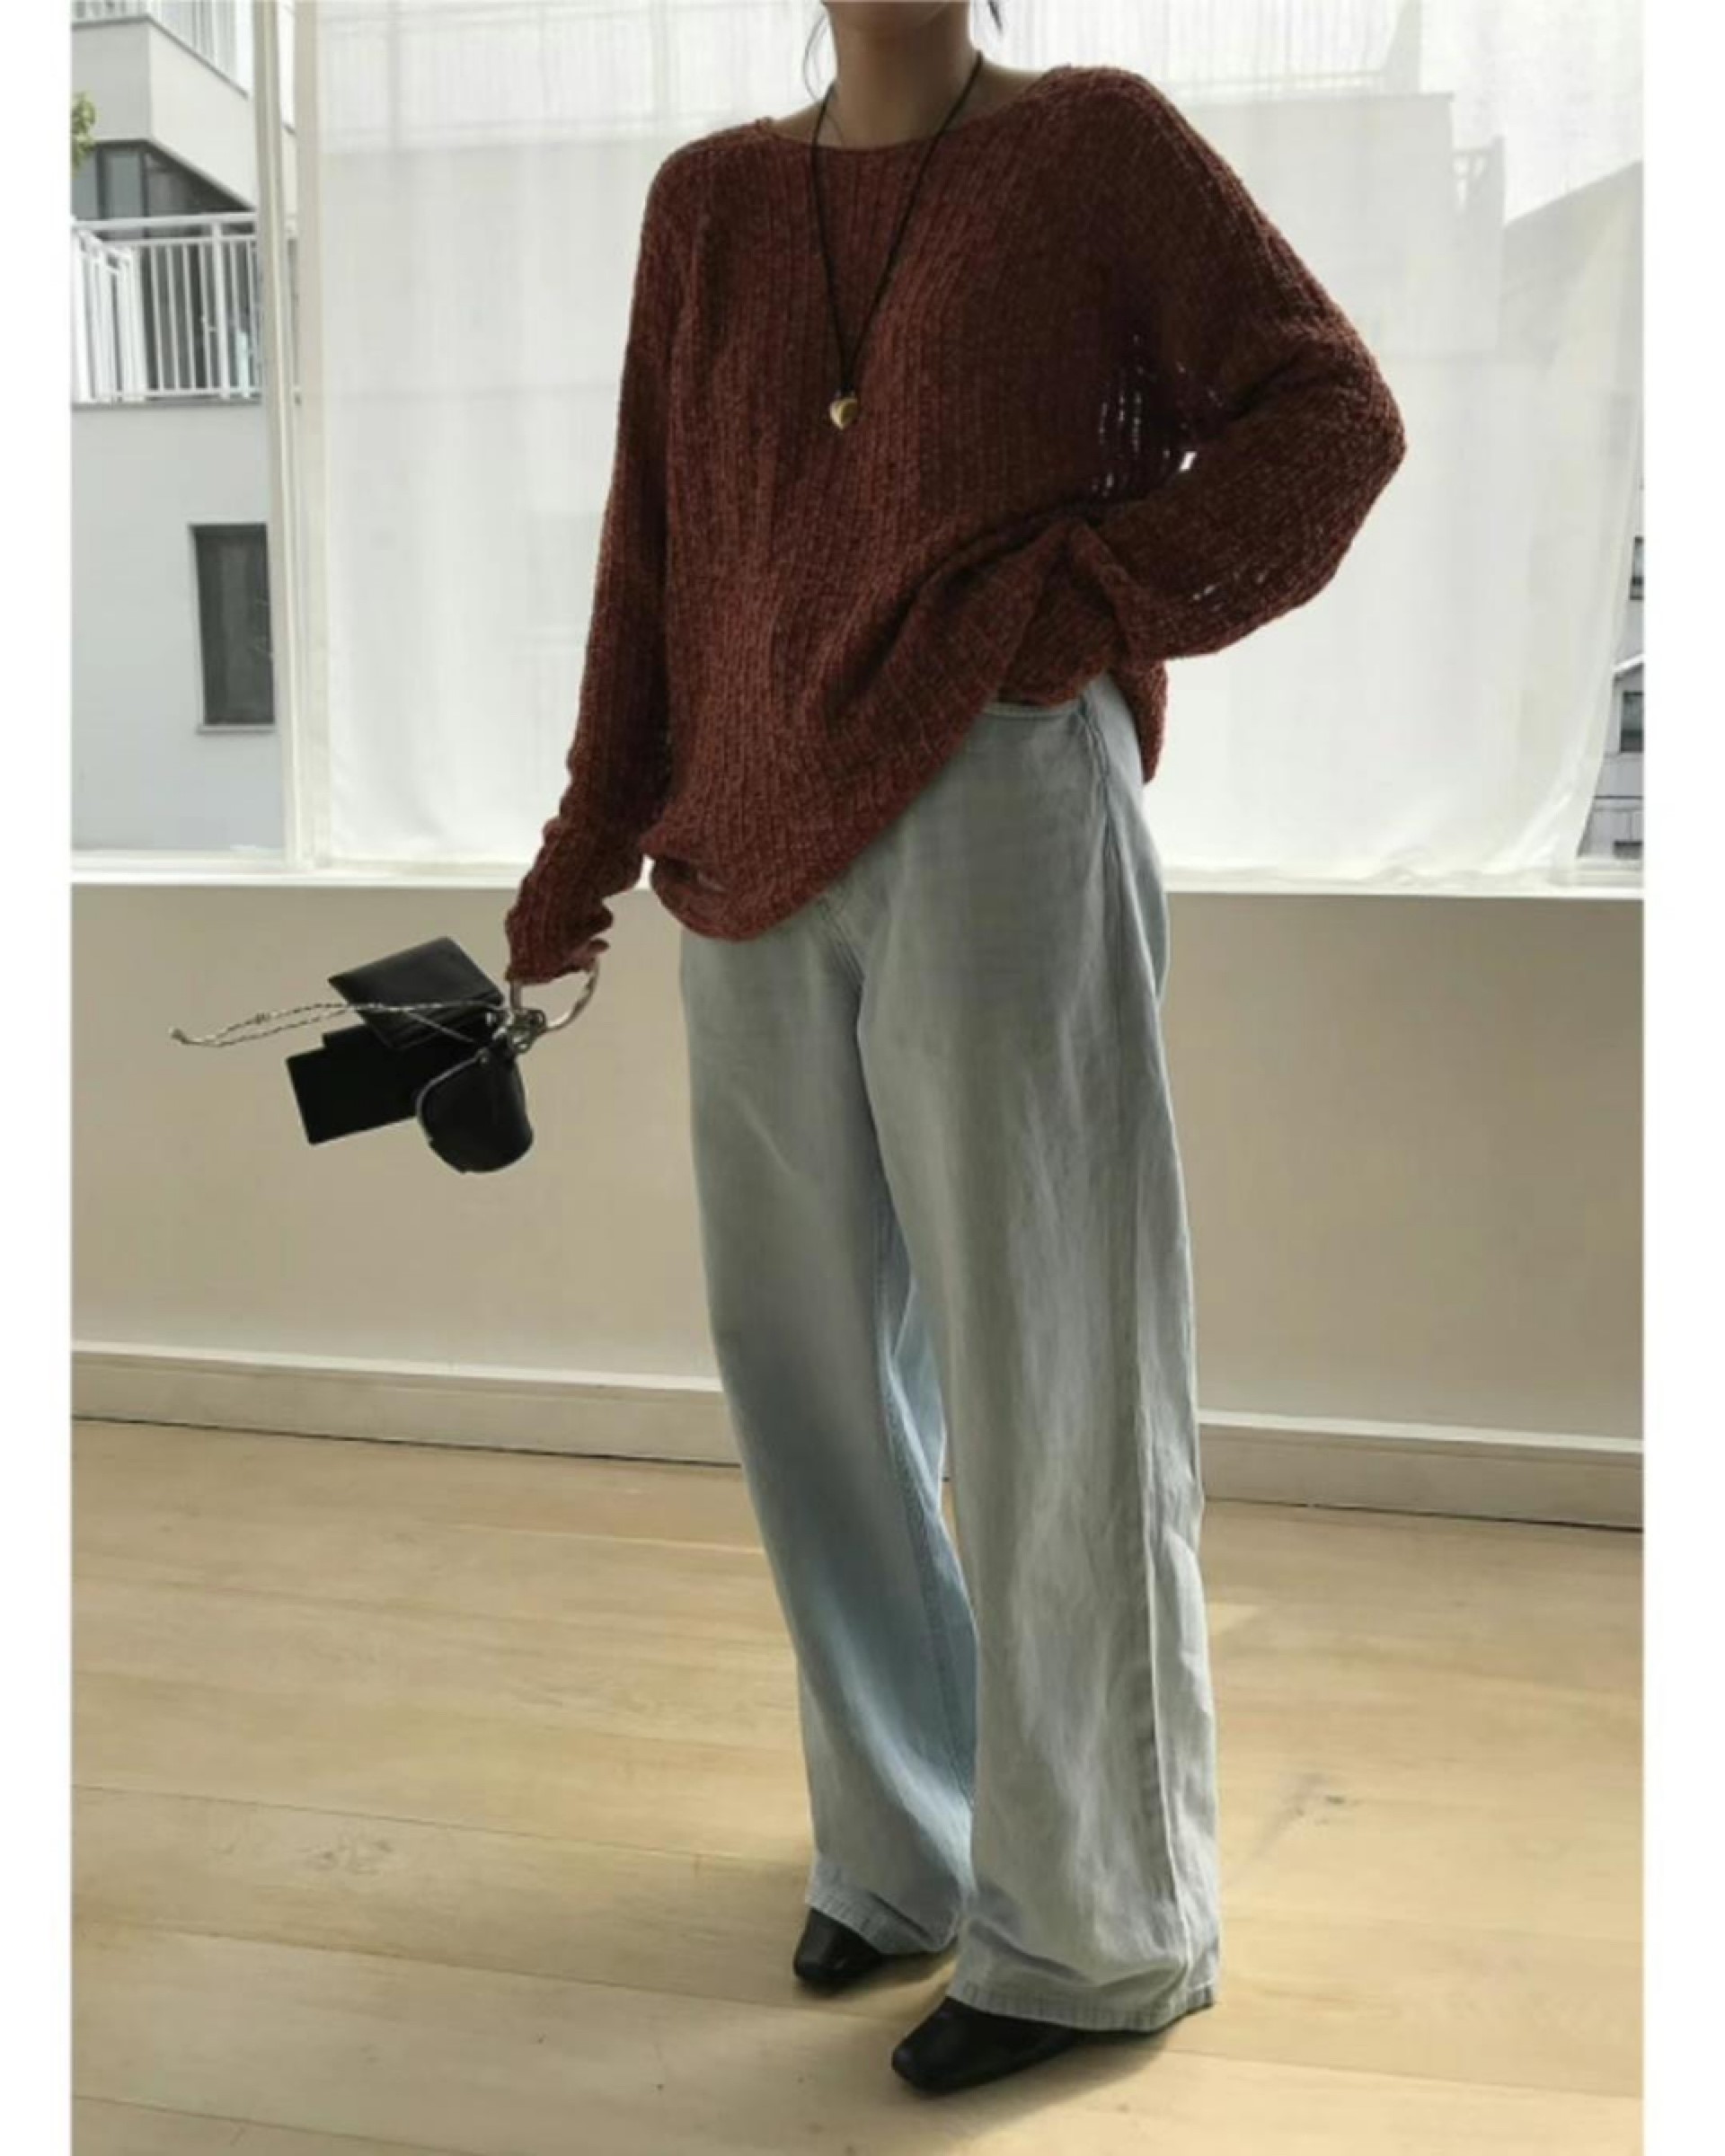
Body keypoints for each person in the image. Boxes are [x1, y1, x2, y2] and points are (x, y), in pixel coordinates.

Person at [504, 0, 1406, 2099]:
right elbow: (656, 552)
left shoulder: (1092, 146)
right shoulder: (711, 204)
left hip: (1000, 801)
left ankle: (1098, 1929)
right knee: (806, 1372)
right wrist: (581, 847)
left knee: (1052, 1367)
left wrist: (1077, 606)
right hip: (746, 831)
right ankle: (906, 1840)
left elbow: (1331, 415)